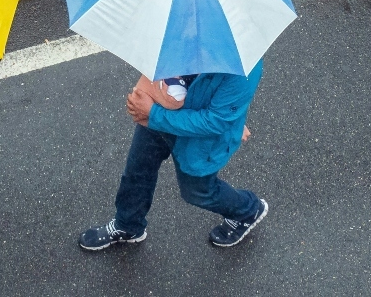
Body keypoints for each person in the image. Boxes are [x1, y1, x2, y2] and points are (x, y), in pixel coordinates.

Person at [79, 62, 266, 250]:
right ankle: (127, 225)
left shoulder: (245, 67)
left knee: (198, 193)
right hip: (163, 108)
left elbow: (214, 121)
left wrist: (153, 113)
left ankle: (248, 210)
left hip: (196, 138)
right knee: (138, 171)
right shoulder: (189, 42)